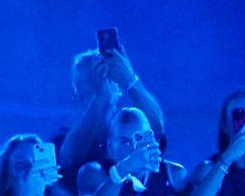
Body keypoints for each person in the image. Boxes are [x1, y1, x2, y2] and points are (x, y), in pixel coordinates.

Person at [58, 43, 165, 186]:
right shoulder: (66, 139)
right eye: (91, 81)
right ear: (76, 94)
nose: (98, 83)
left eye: (104, 77)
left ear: (118, 88)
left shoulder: (130, 123)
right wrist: (101, 97)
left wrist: (130, 79)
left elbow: (156, 128)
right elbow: (69, 162)